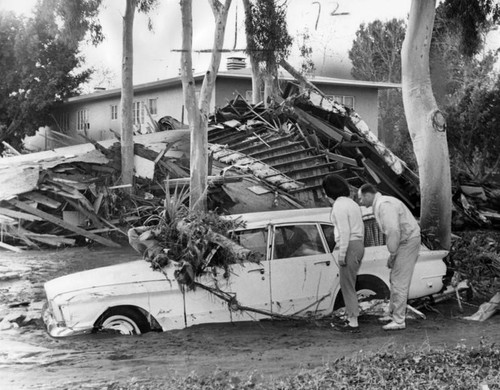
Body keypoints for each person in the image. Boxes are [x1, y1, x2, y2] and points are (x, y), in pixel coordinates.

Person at [358, 184, 421, 331]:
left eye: (361, 198)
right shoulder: (381, 203)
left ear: (368, 195)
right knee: (394, 277)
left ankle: (399, 320)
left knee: (399, 280)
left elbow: (393, 230)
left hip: (407, 241)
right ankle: (393, 313)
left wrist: (393, 253)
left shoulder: (384, 205)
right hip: (403, 241)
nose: (360, 202)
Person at [322, 174, 365, 332]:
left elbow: (344, 230)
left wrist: (342, 254)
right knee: (349, 284)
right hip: (358, 245)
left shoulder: (339, 206)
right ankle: (352, 317)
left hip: (349, 245)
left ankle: (353, 322)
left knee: (347, 285)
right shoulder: (352, 203)